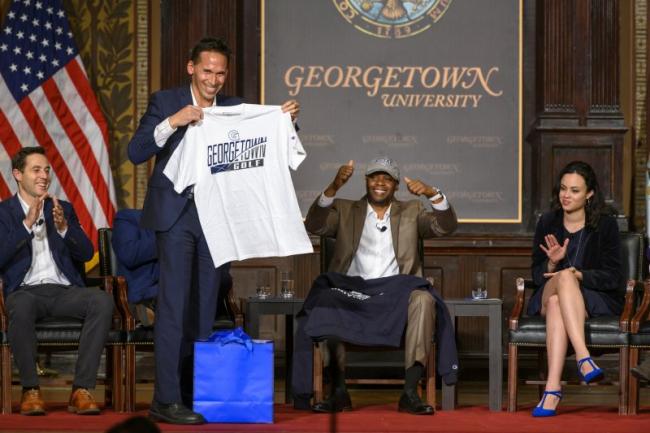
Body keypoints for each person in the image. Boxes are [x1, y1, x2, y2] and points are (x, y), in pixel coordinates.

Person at [127, 36, 300, 425]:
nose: (214, 79)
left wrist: (286, 117)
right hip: (175, 215)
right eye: (207, 71)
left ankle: (192, 394)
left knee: (204, 308)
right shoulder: (165, 101)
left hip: (216, 218)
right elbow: (136, 152)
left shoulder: (234, 108)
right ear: (191, 68)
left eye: (220, 73)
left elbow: (268, 130)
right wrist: (174, 122)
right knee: (172, 307)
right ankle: (164, 399)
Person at [300, 157, 458, 415]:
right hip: (353, 291)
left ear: (396, 185)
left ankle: (409, 392)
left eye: (387, 178)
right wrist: (334, 186)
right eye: (374, 177)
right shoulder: (345, 209)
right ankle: (338, 392)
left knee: (424, 299)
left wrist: (432, 194)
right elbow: (314, 225)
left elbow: (446, 227)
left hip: (395, 293)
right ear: (366, 181)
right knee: (327, 298)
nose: (380, 183)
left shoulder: (412, 211)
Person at [0, 147, 114, 416]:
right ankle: (30, 390)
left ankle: (81, 390)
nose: (44, 175)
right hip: (25, 292)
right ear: (18, 174)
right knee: (22, 306)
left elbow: (86, 253)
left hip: (65, 292)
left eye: (47, 170)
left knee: (101, 300)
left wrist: (64, 228)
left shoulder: (63, 209)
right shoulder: (4, 213)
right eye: (36, 170)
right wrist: (26, 225)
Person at [528, 160, 623, 417]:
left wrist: (579, 274)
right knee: (562, 279)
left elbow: (614, 277)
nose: (566, 195)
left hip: (592, 299)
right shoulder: (547, 222)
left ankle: (552, 389)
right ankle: (584, 357)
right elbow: (537, 276)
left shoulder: (605, 225)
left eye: (574, 190)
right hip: (546, 292)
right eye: (563, 189)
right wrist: (552, 261)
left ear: (589, 194)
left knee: (563, 291)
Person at [112, 209, 158, 326]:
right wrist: (166, 238)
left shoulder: (190, 223)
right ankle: (144, 311)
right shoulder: (129, 218)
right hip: (147, 293)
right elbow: (129, 254)